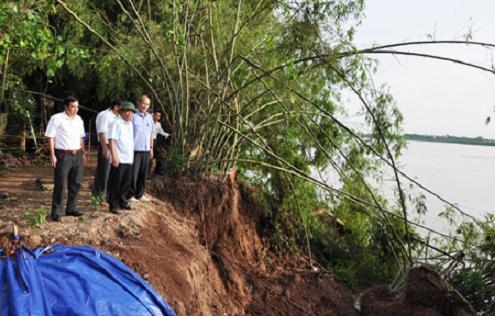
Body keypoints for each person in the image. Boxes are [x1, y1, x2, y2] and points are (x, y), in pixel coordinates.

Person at [44, 96, 87, 222]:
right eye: (73, 107)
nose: (75, 109)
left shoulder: (79, 119)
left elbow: (81, 137)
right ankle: (56, 211)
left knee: (76, 182)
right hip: (63, 154)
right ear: (66, 107)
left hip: (77, 154)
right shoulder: (56, 118)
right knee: (61, 183)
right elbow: (50, 137)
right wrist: (52, 155)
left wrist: (83, 153)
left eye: (77, 107)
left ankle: (71, 208)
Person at [107, 101, 135, 214]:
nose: (129, 114)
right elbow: (111, 140)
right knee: (116, 182)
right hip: (119, 158)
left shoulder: (130, 125)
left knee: (126, 182)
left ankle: (123, 201)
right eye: (127, 111)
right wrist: (114, 156)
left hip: (128, 158)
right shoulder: (116, 123)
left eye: (131, 112)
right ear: (121, 112)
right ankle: (113, 205)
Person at [91, 100, 121, 203]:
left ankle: (104, 194)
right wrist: (105, 148)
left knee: (110, 171)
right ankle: (100, 195)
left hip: (115, 146)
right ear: (116, 107)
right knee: (104, 171)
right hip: (107, 145)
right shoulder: (105, 115)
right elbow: (102, 132)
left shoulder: (117, 117)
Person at [129, 95, 154, 202]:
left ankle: (140, 194)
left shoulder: (149, 117)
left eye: (147, 104)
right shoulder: (133, 116)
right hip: (135, 149)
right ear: (138, 103)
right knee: (134, 172)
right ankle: (130, 194)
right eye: (143, 103)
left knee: (143, 173)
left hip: (146, 149)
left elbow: (151, 134)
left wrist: (151, 148)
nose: (145, 106)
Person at [151, 110, 172, 176]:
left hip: (154, 141)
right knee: (151, 157)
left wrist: (168, 135)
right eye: (156, 115)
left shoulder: (158, 124)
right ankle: (149, 173)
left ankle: (158, 171)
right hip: (148, 141)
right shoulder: (148, 122)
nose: (157, 117)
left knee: (159, 155)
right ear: (153, 115)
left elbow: (161, 132)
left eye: (159, 116)